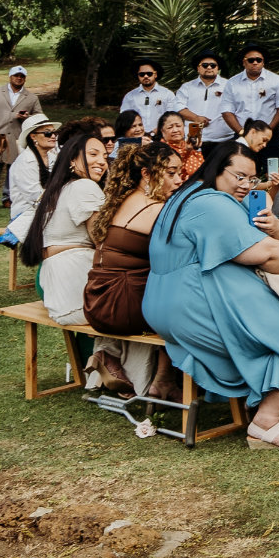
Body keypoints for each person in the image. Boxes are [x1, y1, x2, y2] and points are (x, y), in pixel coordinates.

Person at [144, 139, 279, 451]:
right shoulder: (211, 203)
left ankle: (265, 404)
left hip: (166, 299)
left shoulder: (188, 195)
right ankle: (266, 421)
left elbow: (269, 236)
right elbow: (267, 253)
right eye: (239, 176)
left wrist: (277, 229)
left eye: (251, 178)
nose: (246, 185)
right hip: (191, 302)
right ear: (217, 169)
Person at [84, 143, 187, 401]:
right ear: (146, 174)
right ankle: (166, 380)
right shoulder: (155, 209)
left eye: (180, 173)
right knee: (189, 303)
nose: (178, 180)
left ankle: (162, 377)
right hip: (120, 303)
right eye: (171, 173)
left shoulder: (124, 198)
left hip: (98, 297)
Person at [22, 132, 109, 332]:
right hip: (74, 287)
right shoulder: (84, 186)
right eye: (93, 154)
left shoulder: (57, 189)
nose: (102, 162)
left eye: (105, 156)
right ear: (72, 159)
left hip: (52, 284)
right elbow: (103, 242)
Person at [0, 64, 43, 209]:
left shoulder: (32, 97)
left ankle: (7, 197)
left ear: (25, 79)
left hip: (18, 136)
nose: (19, 78)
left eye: (22, 76)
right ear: (10, 76)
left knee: (13, 168)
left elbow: (39, 115)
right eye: (16, 75)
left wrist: (27, 118)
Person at [223, 42, 279, 170]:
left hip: (271, 137)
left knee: (274, 174)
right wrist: (242, 132)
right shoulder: (232, 83)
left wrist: (268, 132)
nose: (255, 62)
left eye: (259, 60)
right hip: (243, 136)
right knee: (244, 174)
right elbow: (227, 111)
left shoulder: (277, 81)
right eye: (251, 60)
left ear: (263, 62)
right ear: (243, 62)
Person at [3, 114, 58, 245]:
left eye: (55, 132)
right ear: (33, 137)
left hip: (50, 210)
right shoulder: (25, 162)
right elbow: (36, 198)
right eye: (48, 133)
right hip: (27, 215)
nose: (53, 136)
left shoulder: (53, 157)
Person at [175, 51, 234, 146]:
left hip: (224, 140)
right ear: (198, 68)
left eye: (213, 65)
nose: (209, 68)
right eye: (205, 65)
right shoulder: (187, 87)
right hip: (192, 140)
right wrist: (196, 118)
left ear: (218, 68)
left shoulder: (229, 85)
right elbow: (178, 107)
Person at [119, 59, 178, 137]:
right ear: (138, 76)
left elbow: (172, 117)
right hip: (137, 137)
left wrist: (155, 132)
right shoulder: (130, 96)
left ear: (155, 74)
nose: (145, 76)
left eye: (149, 74)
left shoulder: (167, 94)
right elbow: (125, 119)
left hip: (161, 136)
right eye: (142, 74)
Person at [157, 110, 204, 180]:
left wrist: (196, 148)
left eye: (178, 126)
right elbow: (177, 173)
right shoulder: (160, 148)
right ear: (162, 131)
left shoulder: (189, 144)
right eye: (170, 127)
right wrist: (187, 152)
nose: (175, 130)